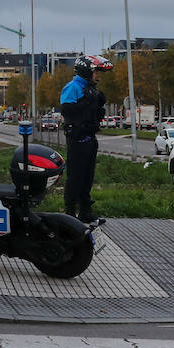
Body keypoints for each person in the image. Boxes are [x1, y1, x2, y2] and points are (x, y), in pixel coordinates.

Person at [58, 54, 112, 222]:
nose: (98, 76)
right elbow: (66, 110)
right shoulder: (73, 87)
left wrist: (99, 107)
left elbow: (92, 114)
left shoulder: (91, 88)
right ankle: (69, 212)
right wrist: (86, 102)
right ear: (86, 71)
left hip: (90, 138)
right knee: (75, 176)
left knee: (88, 176)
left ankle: (85, 211)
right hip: (77, 139)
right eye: (95, 72)